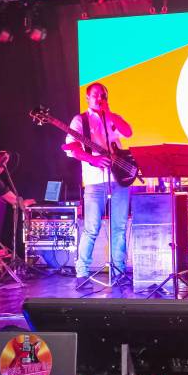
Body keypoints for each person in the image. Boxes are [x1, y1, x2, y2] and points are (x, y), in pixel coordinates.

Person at [65, 82, 133, 286]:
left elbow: (128, 132)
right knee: (92, 228)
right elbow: (72, 148)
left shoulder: (112, 117)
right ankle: (82, 273)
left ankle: (119, 270)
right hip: (95, 182)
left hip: (119, 180)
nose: (99, 98)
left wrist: (109, 113)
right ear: (87, 98)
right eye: (95, 94)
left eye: (102, 94)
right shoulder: (80, 120)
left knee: (119, 228)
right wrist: (92, 159)